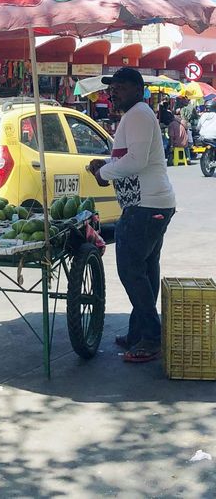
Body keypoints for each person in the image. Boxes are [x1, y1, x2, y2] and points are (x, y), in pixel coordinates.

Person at [88, 67, 175, 364]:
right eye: (113, 88)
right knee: (145, 270)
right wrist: (108, 164)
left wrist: (104, 172)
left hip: (146, 206)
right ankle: (139, 331)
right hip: (150, 204)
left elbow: (136, 161)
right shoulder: (137, 114)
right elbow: (133, 157)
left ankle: (150, 337)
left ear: (138, 89)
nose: (114, 92)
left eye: (121, 87)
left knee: (130, 270)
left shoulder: (138, 113)